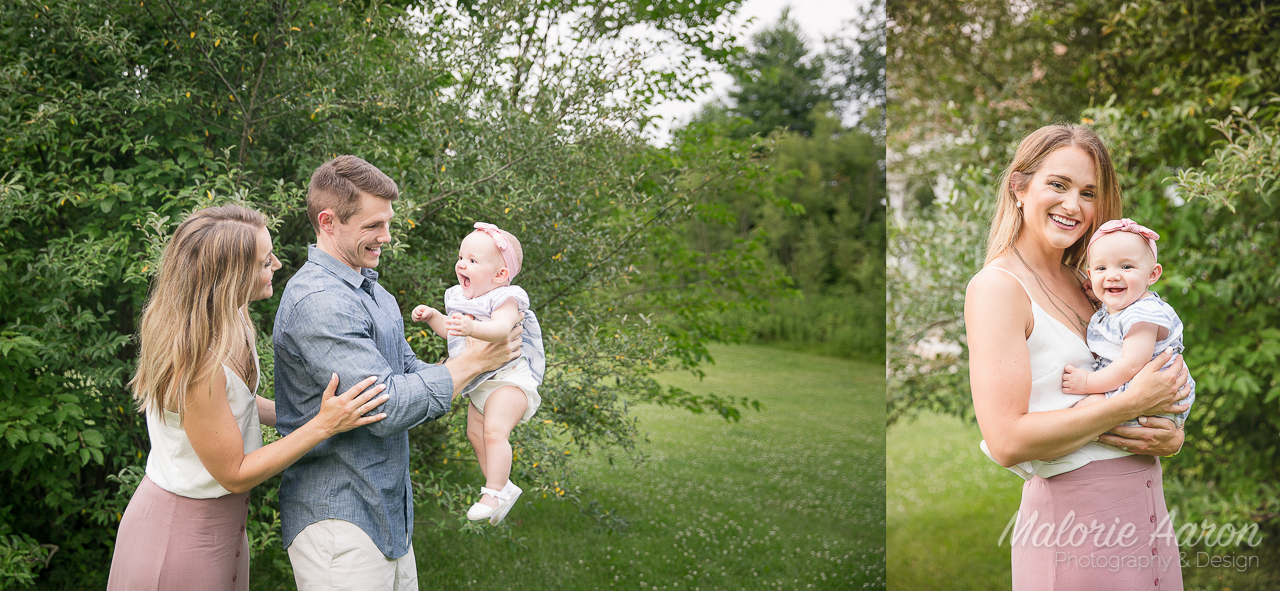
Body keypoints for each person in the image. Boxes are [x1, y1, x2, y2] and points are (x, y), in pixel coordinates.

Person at [107, 204, 391, 591]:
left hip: (224, 530)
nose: (275, 264)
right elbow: (235, 473)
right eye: (262, 262)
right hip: (177, 538)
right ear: (228, 278)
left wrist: (316, 416)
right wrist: (322, 426)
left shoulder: (232, 316)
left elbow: (235, 404)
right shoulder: (196, 364)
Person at [274, 156, 521, 590]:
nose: (386, 237)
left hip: (388, 514)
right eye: (374, 225)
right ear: (329, 222)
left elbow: (410, 373)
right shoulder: (321, 301)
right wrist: (476, 362)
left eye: (387, 223)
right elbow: (387, 406)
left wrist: (499, 385)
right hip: (340, 521)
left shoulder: (375, 292)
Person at [965, 124, 1192, 589]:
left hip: (1147, 513)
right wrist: (1129, 405)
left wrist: (1169, 434)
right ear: (1019, 187)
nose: (1074, 205)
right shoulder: (998, 288)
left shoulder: (1093, 282)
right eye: (1058, 184)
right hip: (1075, 531)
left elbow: (1143, 374)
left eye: (1089, 192)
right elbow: (1006, 440)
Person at [411, 222, 545, 525]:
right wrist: (434, 317)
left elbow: (499, 330)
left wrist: (471, 327)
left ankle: (494, 492)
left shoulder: (506, 298)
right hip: (481, 385)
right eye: (461, 257)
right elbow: (453, 330)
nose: (462, 264)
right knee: (475, 434)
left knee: (494, 432)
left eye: (473, 260)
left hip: (509, 382)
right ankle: (503, 488)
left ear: (499, 275)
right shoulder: (462, 298)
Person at [1061, 218, 1195, 428]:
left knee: (1081, 412)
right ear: (1089, 274)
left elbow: (1131, 364)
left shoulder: (1143, 316)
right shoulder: (1123, 307)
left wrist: (1087, 382)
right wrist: (1101, 298)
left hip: (1154, 400)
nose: (1112, 276)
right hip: (1133, 390)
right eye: (1101, 268)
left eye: (1126, 266)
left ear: (1152, 274)